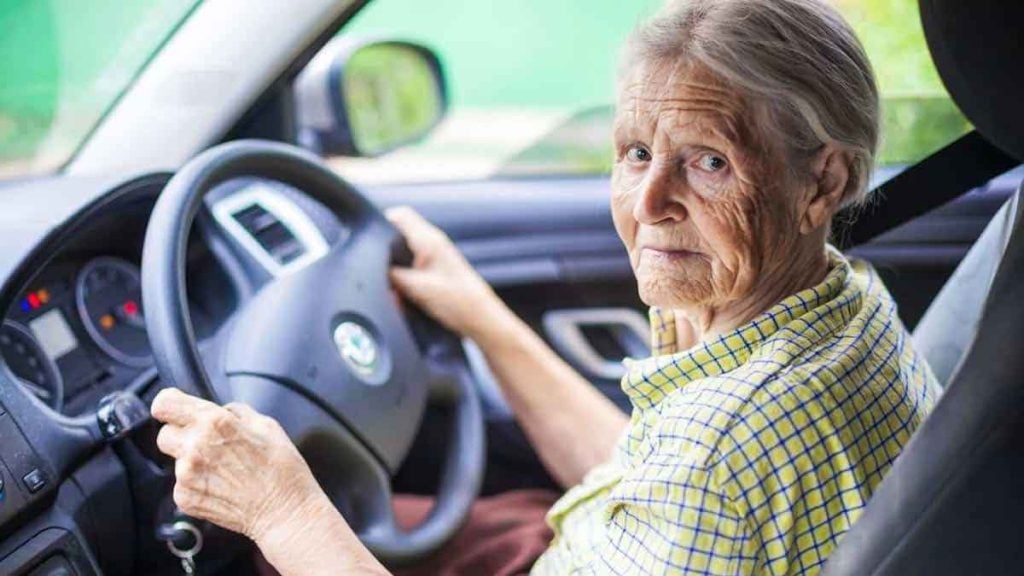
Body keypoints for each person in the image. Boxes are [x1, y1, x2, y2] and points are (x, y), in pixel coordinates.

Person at [150, 0, 942, 573]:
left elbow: (705, 476)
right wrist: (481, 317)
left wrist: (281, 508)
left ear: (821, 183)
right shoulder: (837, 305)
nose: (649, 202)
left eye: (708, 161)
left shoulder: (726, 451)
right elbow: (640, 477)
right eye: (636, 152)